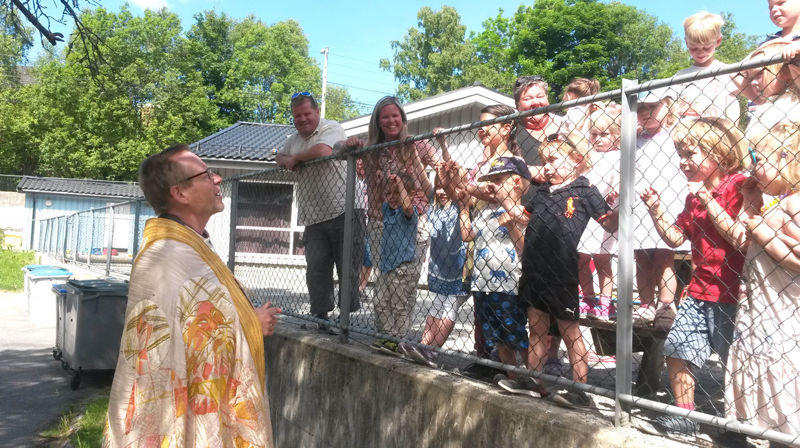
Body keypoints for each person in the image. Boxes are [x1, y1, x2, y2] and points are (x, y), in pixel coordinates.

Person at [103, 145, 280, 447]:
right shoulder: (168, 255)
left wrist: (247, 319)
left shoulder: (187, 246)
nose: (218, 179)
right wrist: (251, 323)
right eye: (206, 174)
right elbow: (195, 335)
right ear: (180, 193)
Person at [639, 117, 749, 435]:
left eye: (691, 154)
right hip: (700, 288)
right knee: (677, 349)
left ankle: (738, 425)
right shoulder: (693, 197)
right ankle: (686, 414)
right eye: (681, 155)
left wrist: (708, 200)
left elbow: (737, 236)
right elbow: (675, 239)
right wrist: (656, 209)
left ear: (720, 154)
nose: (683, 162)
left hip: (735, 292)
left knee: (736, 362)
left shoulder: (738, 186)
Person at [512, 132, 617, 405]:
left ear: (576, 160)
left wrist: (620, 209)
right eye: (544, 161)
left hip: (561, 272)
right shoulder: (542, 192)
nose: (546, 167)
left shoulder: (585, 190)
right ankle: (534, 381)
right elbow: (523, 220)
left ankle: (580, 390)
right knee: (536, 328)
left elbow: (608, 223)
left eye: (553, 160)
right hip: (534, 270)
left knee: (570, 331)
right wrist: (506, 205)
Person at [724, 118, 800, 439]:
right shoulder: (774, 204)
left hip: (783, 310)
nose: (752, 168)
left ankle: (786, 430)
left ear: (787, 159)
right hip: (760, 309)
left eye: (758, 159)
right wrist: (748, 203)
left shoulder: (795, 203)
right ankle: (772, 431)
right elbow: (742, 239)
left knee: (781, 370)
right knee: (759, 359)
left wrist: (762, 231)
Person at [344, 96, 438, 346]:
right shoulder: (370, 149)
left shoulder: (417, 144)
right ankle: (383, 336)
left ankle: (399, 338)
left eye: (395, 115)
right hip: (380, 221)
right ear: (377, 121)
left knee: (404, 284)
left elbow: (439, 171)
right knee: (383, 283)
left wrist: (418, 157)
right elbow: (338, 153)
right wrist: (348, 144)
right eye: (385, 116)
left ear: (403, 118)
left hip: (413, 219)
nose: (391, 120)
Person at [276, 92, 364, 330]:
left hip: (345, 209)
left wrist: (295, 159)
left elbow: (324, 151)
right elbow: (278, 156)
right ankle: (320, 316)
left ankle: (346, 320)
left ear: (316, 112)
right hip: (313, 215)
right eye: (297, 116)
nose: (302, 119)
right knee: (316, 268)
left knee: (347, 267)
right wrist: (287, 159)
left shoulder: (331, 127)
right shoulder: (293, 139)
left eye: (306, 114)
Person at [398, 176, 468, 366]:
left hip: (459, 270)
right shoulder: (434, 207)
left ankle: (433, 350)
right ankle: (424, 344)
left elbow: (455, 193)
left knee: (449, 308)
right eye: (439, 187)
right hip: (440, 268)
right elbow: (423, 177)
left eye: (447, 187)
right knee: (436, 306)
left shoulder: (459, 206)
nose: (442, 191)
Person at [632, 88, 688, 323]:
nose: (646, 112)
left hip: (667, 203)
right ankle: (645, 304)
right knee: (642, 257)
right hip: (637, 204)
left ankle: (666, 304)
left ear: (667, 104)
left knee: (664, 257)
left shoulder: (677, 134)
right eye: (641, 108)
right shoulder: (633, 139)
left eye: (652, 106)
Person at [579, 108, 622, 321]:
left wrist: (616, 188)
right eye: (594, 134)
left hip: (606, 212)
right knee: (581, 258)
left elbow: (620, 177)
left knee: (603, 260)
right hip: (586, 214)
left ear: (617, 135)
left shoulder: (618, 156)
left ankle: (606, 302)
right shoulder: (588, 155)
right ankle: (587, 298)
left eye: (604, 134)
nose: (597, 139)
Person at [372, 173, 422, 350]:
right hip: (386, 267)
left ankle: (400, 340)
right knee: (379, 302)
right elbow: (375, 202)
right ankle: (388, 336)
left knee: (399, 306)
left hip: (403, 267)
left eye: (397, 193)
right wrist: (379, 184)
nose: (393, 197)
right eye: (389, 193)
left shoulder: (409, 212)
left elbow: (407, 206)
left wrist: (400, 183)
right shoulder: (387, 209)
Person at [670, 11, 740, 123]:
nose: (700, 52)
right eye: (694, 48)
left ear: (718, 41)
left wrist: (732, 132)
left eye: (706, 47)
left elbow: (732, 103)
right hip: (685, 133)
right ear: (687, 43)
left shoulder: (726, 72)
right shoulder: (680, 76)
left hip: (715, 133)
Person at [513, 75, 564, 184]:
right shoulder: (510, 131)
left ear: (547, 99)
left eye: (540, 96)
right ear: (517, 105)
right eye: (528, 99)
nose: (535, 102)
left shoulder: (567, 125)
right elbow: (491, 163)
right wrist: (527, 170)